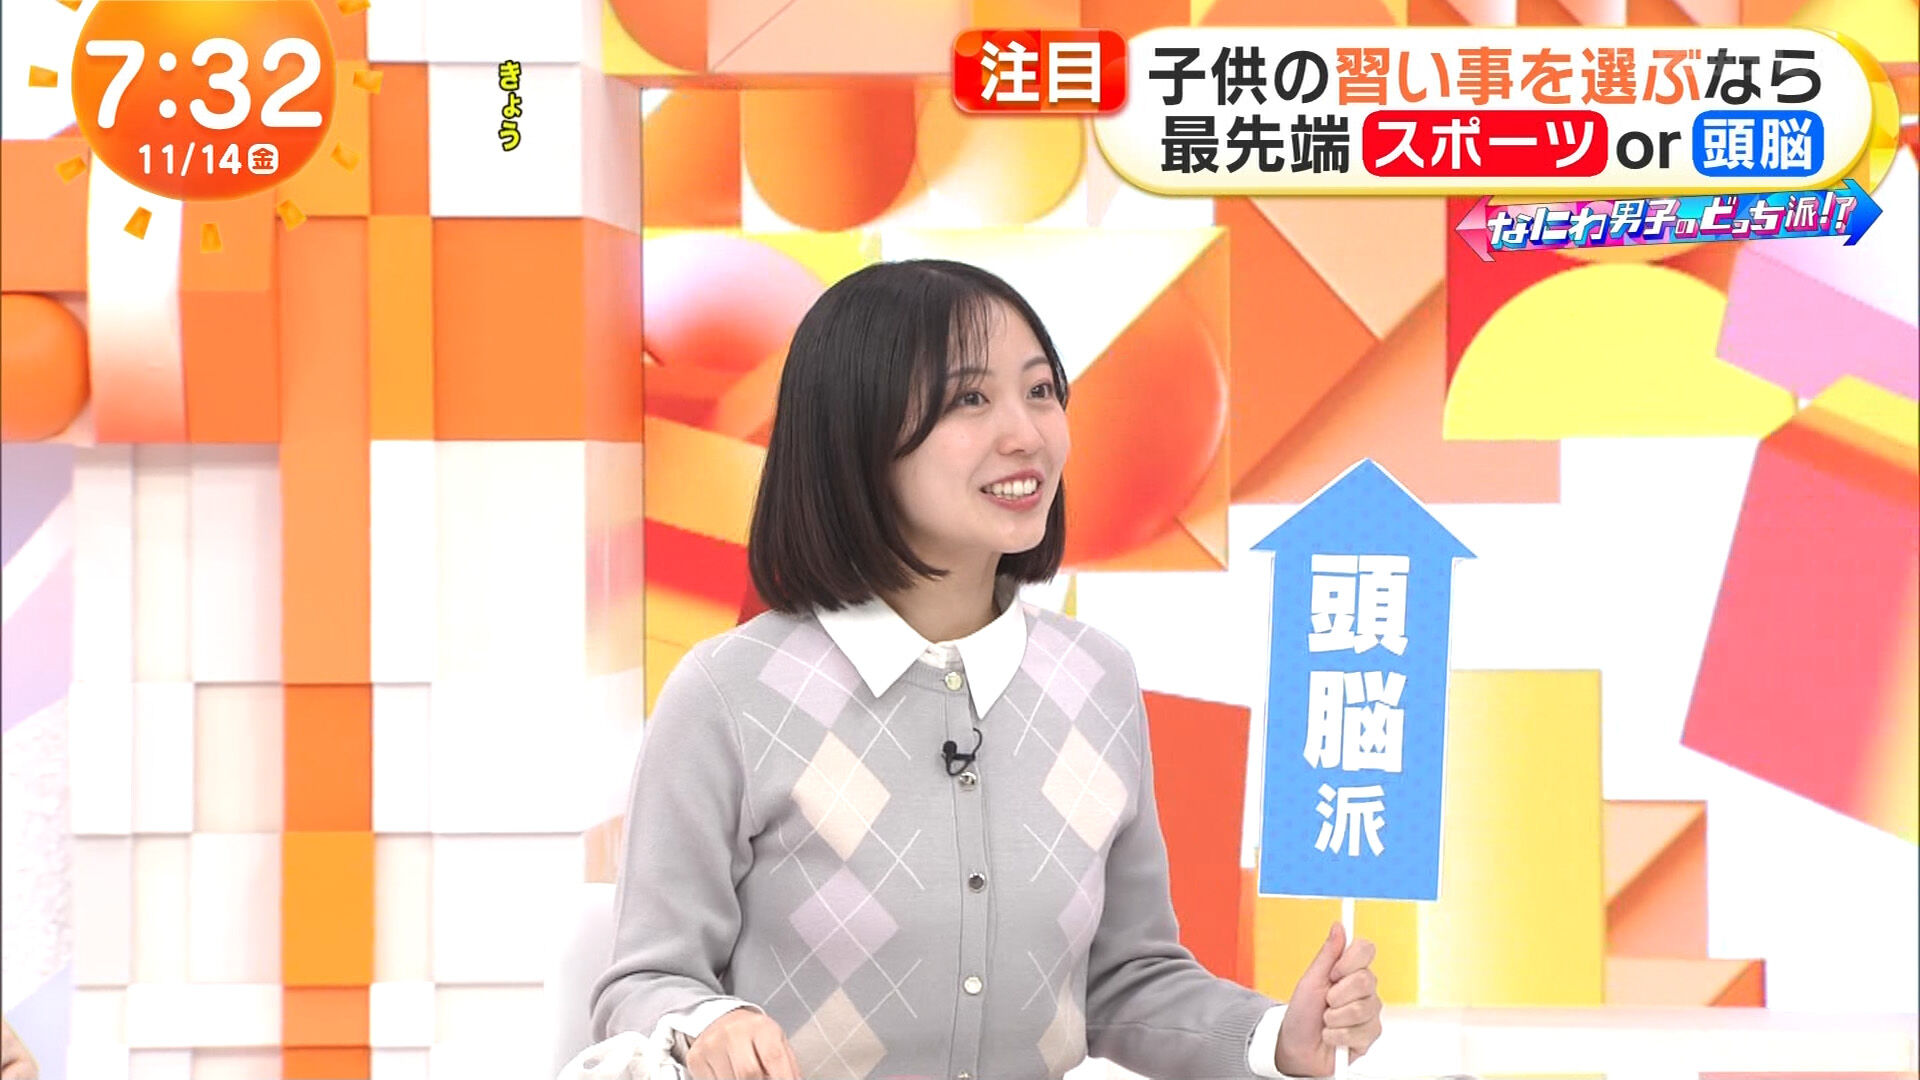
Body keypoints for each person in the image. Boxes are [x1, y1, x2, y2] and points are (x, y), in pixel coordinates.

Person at [590, 259, 1383, 1080]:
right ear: (854, 434)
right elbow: (644, 981)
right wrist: (710, 1022)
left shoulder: (1096, 680)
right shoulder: (730, 694)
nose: (1028, 434)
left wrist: (1276, 1037)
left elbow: (1123, 979)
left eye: (1039, 391)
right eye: (970, 399)